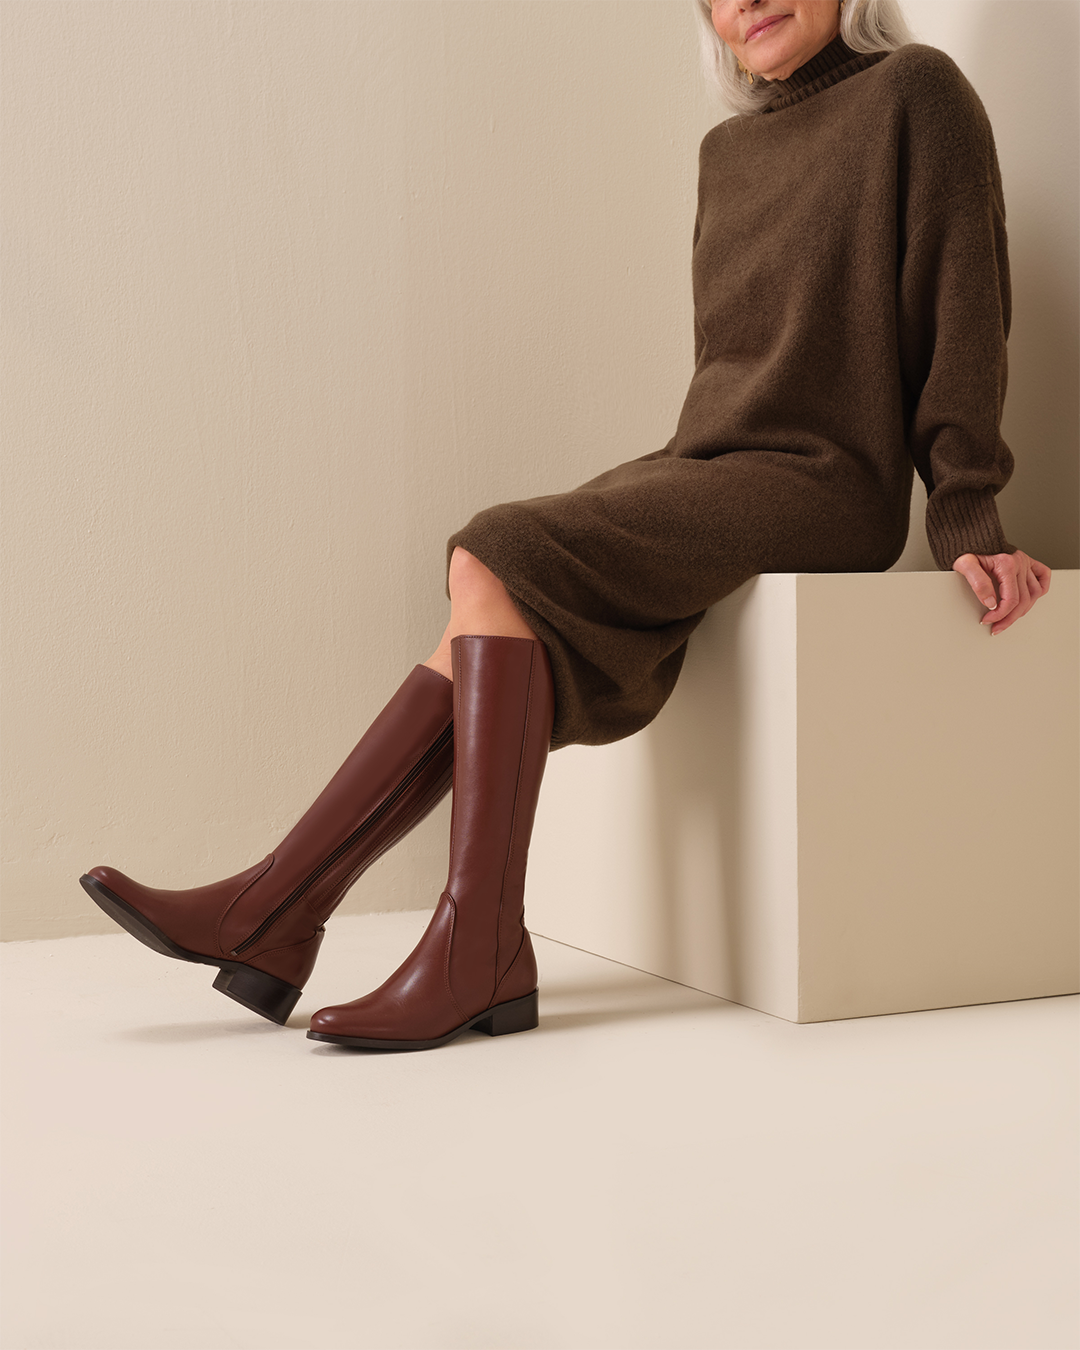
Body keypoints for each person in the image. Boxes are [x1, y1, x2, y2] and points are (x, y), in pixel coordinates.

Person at [81, 0, 1052, 1051]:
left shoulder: (916, 93)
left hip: (825, 483)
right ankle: (313, 921)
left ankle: (350, 919)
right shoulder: (727, 153)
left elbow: (964, 304)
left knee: (497, 548)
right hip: (710, 462)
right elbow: (731, 372)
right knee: (491, 583)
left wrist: (966, 510)